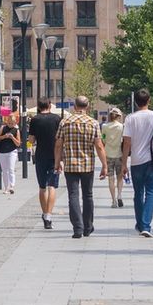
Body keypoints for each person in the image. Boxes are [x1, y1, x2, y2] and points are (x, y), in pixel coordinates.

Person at [121, 89, 153, 237]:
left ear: (135, 102)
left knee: (138, 193)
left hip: (136, 161)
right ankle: (145, 225)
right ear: (149, 100)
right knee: (150, 192)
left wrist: (124, 163)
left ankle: (140, 224)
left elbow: (126, 142)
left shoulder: (130, 118)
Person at [56, 96, 106, 239]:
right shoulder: (94, 123)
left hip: (70, 164)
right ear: (87, 106)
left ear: (74, 106)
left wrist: (57, 162)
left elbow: (58, 144)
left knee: (73, 195)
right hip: (87, 164)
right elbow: (99, 146)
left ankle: (78, 228)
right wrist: (104, 165)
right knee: (88, 195)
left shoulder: (64, 122)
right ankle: (88, 227)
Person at [27, 101, 61, 230]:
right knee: (52, 186)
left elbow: (31, 140)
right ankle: (48, 216)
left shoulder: (35, 120)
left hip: (41, 156)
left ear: (39, 106)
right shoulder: (57, 119)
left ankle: (44, 212)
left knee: (42, 187)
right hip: (55, 156)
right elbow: (60, 139)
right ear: (50, 105)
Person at [100, 109, 126, 207]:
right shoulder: (121, 127)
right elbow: (123, 139)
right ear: (119, 116)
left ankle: (114, 200)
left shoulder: (104, 126)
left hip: (108, 155)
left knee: (111, 179)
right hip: (119, 154)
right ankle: (119, 195)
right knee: (120, 177)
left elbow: (103, 138)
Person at [0, 110, 20, 195]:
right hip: (2, 151)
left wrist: (12, 138)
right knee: (4, 170)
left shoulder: (16, 130)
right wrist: (4, 136)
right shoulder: (3, 128)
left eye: (12, 123)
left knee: (11, 168)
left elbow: (18, 143)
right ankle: (6, 188)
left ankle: (11, 186)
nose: (11, 125)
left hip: (12, 151)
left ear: (15, 122)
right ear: (7, 121)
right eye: (9, 123)